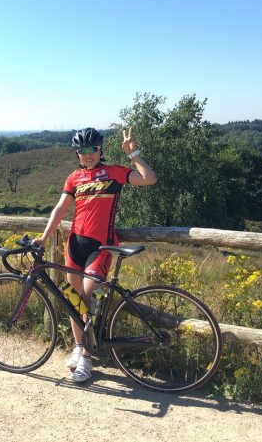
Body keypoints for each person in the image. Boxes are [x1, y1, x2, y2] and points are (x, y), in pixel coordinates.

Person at [32, 126, 157, 383]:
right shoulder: (74, 178)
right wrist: (44, 236)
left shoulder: (113, 173)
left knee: (84, 298)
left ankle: (87, 360)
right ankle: (79, 346)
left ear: (100, 150)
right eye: (83, 150)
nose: (88, 155)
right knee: (72, 299)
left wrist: (134, 154)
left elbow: (149, 179)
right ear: (77, 153)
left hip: (101, 247)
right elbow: (59, 209)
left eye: (93, 150)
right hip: (75, 244)